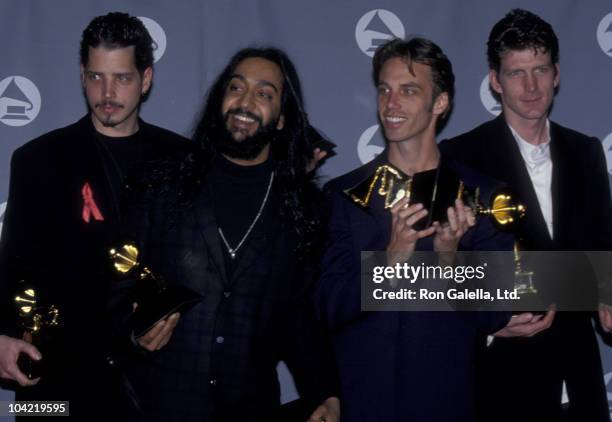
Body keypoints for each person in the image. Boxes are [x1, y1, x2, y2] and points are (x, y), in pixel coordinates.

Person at [113, 47, 340, 422]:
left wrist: (325, 392)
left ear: (282, 118)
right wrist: (134, 331)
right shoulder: (161, 184)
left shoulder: (305, 210)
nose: (246, 102)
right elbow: (114, 287)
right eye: (236, 88)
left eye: (264, 93)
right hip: (155, 408)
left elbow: (300, 320)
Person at [314, 37, 513, 422]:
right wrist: (388, 262)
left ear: (440, 103)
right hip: (363, 404)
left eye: (408, 91)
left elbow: (496, 313)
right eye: (385, 90)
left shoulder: (483, 195)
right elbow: (326, 306)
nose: (391, 103)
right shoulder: (343, 195)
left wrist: (450, 257)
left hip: (448, 404)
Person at [0, 12, 188, 417]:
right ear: (82, 75)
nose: (107, 92)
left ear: (146, 79)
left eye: (121, 77)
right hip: (51, 390)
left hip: (150, 384)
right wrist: (4, 334)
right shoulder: (37, 159)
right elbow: (15, 263)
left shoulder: (182, 160)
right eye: (95, 76)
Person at [440, 9, 612, 421]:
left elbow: (602, 249)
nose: (531, 87)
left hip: (582, 378)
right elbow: (439, 267)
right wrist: (486, 325)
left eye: (540, 70)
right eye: (517, 73)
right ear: (496, 81)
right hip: (504, 379)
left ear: (556, 74)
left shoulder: (586, 151)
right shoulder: (460, 157)